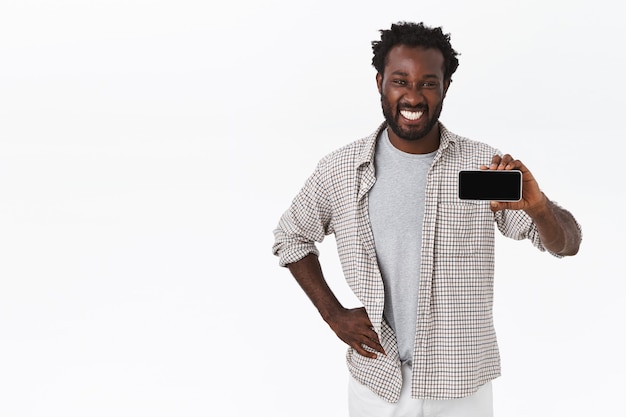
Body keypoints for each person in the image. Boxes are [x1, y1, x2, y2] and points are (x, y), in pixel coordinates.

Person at [272, 21, 582, 417]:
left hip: (461, 389)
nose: (413, 96)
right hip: (377, 385)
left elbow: (567, 244)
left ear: (446, 88)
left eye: (428, 83)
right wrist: (333, 314)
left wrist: (540, 209)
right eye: (400, 80)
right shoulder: (342, 170)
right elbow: (291, 236)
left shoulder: (482, 166)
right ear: (380, 81)